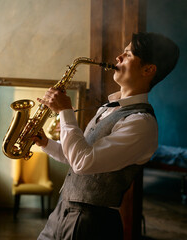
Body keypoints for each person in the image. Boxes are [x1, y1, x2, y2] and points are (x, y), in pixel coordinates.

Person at [32, 32, 179, 240]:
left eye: (128, 54)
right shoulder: (108, 108)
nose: (118, 57)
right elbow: (76, 158)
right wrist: (45, 143)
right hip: (62, 210)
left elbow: (83, 162)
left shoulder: (141, 123)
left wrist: (65, 111)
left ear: (148, 69)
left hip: (91, 223)